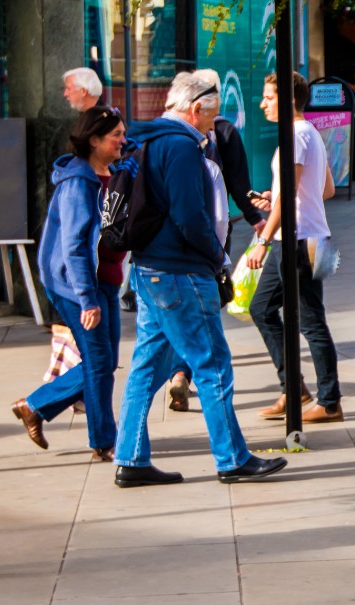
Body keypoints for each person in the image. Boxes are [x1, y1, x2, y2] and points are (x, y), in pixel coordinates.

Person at [111, 74, 285, 487]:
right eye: (211, 116)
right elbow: (190, 218)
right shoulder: (182, 146)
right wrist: (218, 258)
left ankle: (131, 459)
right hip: (181, 272)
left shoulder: (150, 139)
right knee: (213, 365)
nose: (214, 124)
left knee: (146, 367)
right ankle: (232, 458)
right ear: (195, 110)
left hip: (151, 269)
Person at [14, 105, 126, 459]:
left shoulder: (111, 170)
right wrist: (86, 299)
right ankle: (105, 442)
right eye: (116, 136)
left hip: (106, 280)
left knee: (104, 361)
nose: (124, 140)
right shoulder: (79, 182)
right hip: (77, 285)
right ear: (94, 141)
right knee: (98, 361)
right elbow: (75, 246)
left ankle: (34, 405)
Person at [163, 68, 263, 414]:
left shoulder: (163, 137)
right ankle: (187, 376)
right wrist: (256, 219)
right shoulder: (220, 133)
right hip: (208, 240)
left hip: (166, 248)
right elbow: (238, 184)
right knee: (204, 312)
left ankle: (179, 372)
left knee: (179, 314)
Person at [246, 71, 343, 423]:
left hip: (301, 241)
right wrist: (283, 198)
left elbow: (290, 195)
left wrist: (262, 240)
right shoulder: (310, 134)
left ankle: (330, 401)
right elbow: (326, 189)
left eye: (268, 97)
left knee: (311, 321)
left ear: (287, 100)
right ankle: (294, 389)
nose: (262, 104)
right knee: (262, 308)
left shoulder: (295, 136)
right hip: (310, 236)